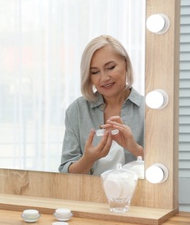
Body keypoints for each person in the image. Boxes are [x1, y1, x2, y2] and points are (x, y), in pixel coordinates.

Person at [59, 35, 144, 176]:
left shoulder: (149, 109)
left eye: (110, 67)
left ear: (126, 64)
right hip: (88, 197)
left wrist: (135, 149)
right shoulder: (77, 110)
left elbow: (165, 168)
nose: (104, 78)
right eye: (95, 72)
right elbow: (65, 172)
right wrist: (88, 159)